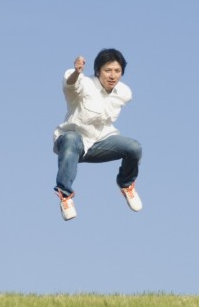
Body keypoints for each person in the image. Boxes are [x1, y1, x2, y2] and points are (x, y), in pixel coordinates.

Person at [52, 48, 143, 221]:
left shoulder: (124, 93)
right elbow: (71, 85)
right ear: (98, 71)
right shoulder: (85, 84)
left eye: (117, 71)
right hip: (73, 143)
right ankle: (65, 196)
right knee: (71, 139)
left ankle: (126, 184)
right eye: (107, 71)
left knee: (134, 148)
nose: (112, 76)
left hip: (101, 142)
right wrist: (77, 72)